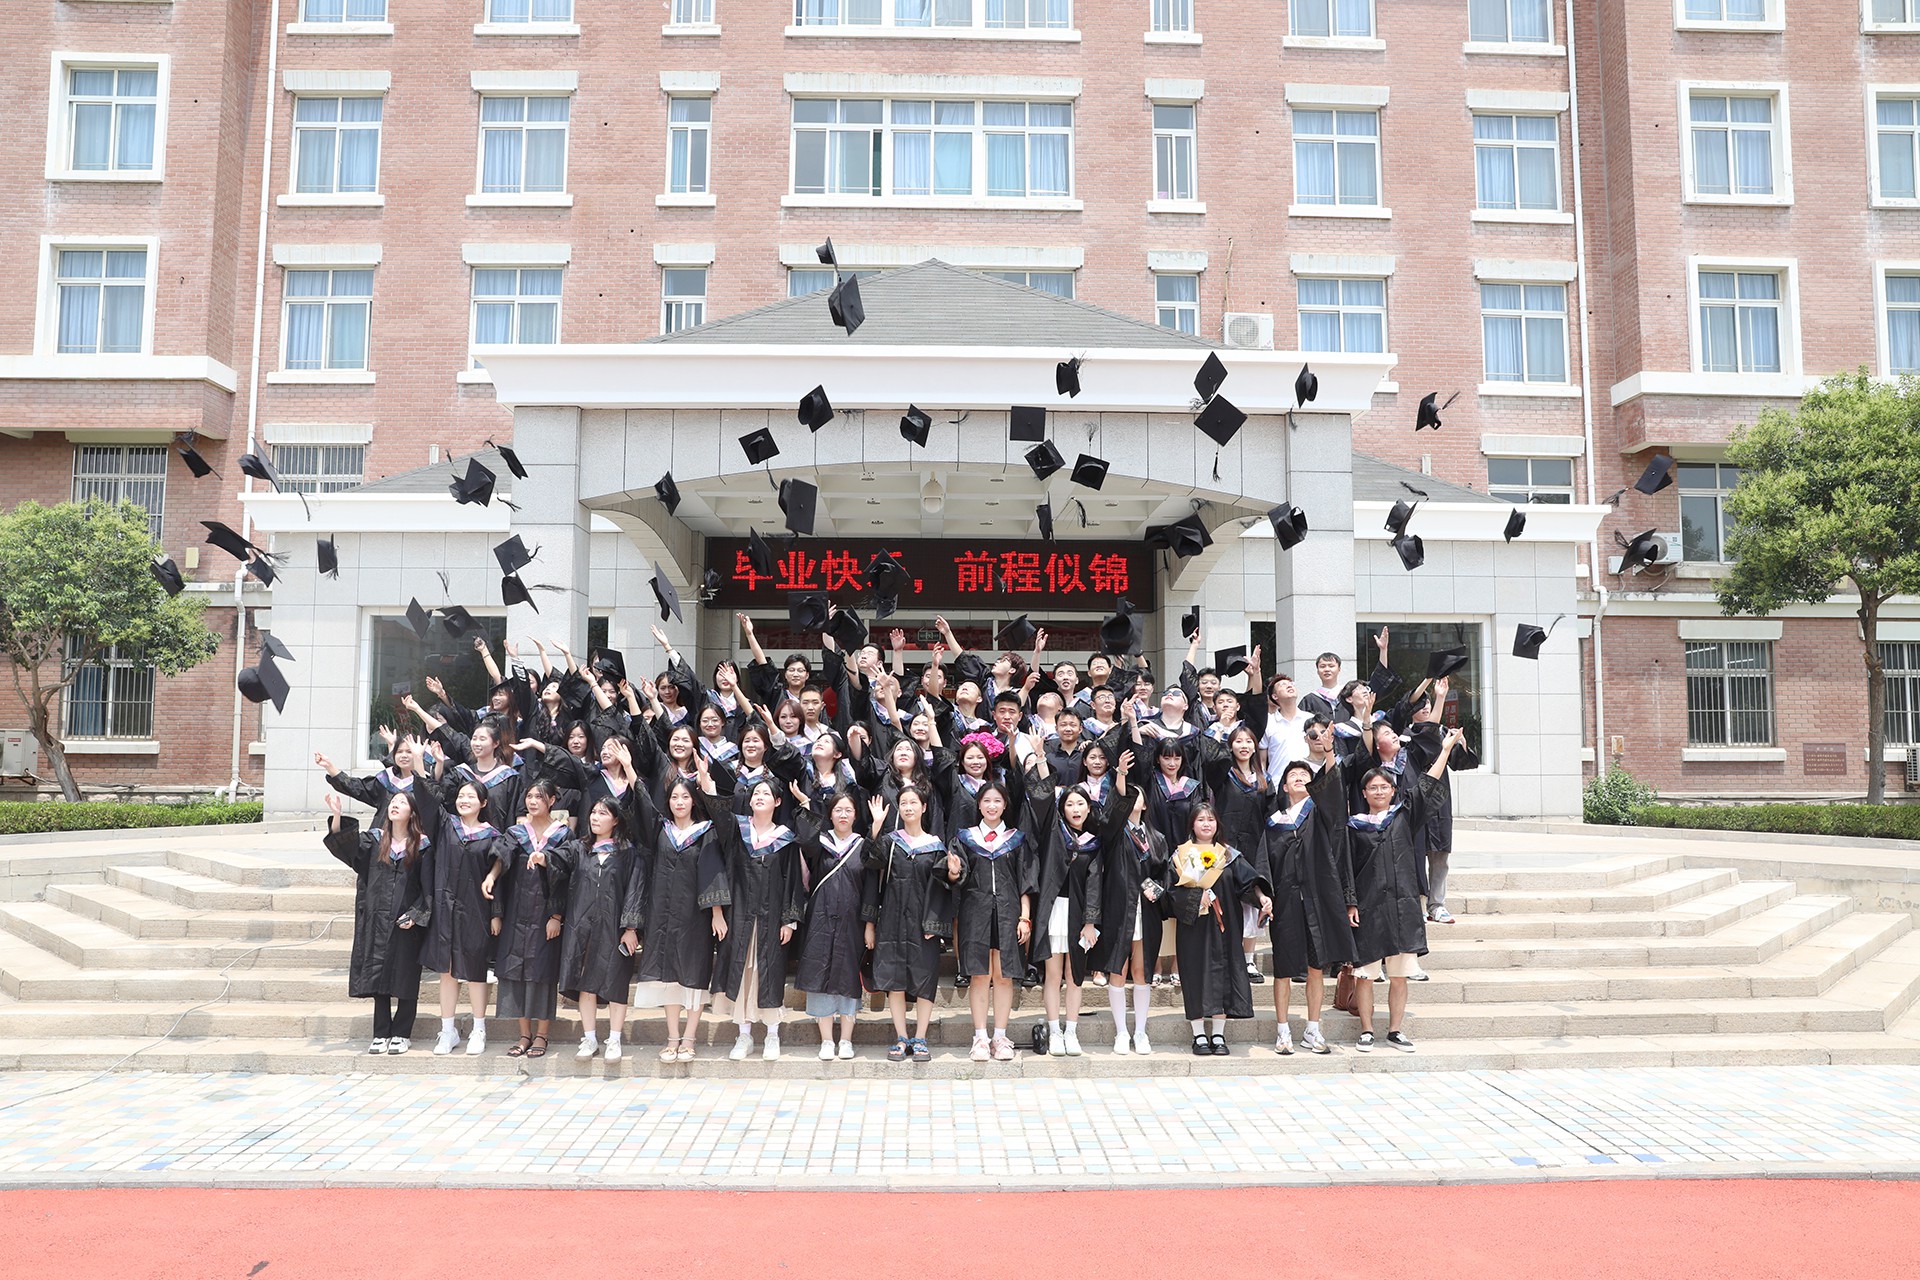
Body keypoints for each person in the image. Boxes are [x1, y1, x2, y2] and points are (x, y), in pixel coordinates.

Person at [1348, 727, 1463, 1052]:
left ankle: (1395, 1030)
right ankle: (1367, 1030)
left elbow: (1427, 784)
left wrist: (1444, 750)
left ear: (1393, 791)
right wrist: (1350, 903)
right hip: (1369, 907)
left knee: (1399, 975)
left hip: (1402, 906)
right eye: (1373, 787)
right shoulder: (1354, 826)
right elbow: (1347, 869)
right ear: (1364, 793)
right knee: (1365, 975)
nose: (1379, 791)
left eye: (1384, 787)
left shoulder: (1404, 815)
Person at [322, 737, 434, 1055]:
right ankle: (381, 1033)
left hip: (405, 920)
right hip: (377, 917)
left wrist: (418, 914)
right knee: (380, 976)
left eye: (402, 803)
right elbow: (348, 850)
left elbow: (428, 888)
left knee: (406, 977)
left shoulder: (423, 846)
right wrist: (337, 817)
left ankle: (402, 1032)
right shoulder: (375, 841)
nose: (394, 805)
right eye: (392, 802)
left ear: (412, 812)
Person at [1025, 740, 1115, 1056]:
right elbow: (1042, 797)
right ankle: (1054, 1032)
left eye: (1081, 804)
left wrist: (1091, 922)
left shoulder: (1094, 843)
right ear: (1062, 809)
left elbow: (1094, 884)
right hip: (1053, 911)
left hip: (1080, 915)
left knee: (1075, 975)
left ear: (1089, 808)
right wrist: (1040, 757)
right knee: (1053, 975)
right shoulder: (1053, 831)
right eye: (1070, 805)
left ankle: (1072, 1032)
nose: (1075, 809)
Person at [1261, 761, 1358, 1056]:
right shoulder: (1274, 823)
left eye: (1305, 774)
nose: (1299, 777)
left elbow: (1333, 795)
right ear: (1285, 787)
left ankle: (1312, 1029)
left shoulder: (1320, 814)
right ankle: (1283, 1031)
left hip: (1317, 902)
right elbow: (1264, 864)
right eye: (1293, 775)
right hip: (1286, 903)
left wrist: (1328, 753)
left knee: (1316, 968)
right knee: (1283, 969)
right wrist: (1263, 896)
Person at [1162, 802, 1273, 1056]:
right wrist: (1195, 898)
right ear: (1192, 824)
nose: (1206, 824)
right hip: (1192, 927)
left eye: (1210, 819)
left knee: (1223, 975)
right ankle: (1199, 1035)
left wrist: (1262, 898)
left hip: (1225, 927)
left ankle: (1219, 1034)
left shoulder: (1229, 855)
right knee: (1194, 974)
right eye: (1201, 819)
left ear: (1217, 824)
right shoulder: (1180, 855)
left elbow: (1248, 882)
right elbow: (1170, 893)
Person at [633, 777, 731, 1063]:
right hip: (662, 914)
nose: (679, 802)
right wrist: (628, 768)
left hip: (694, 917)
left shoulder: (706, 832)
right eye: (674, 797)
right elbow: (643, 805)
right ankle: (673, 1037)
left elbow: (712, 870)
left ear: (693, 801)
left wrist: (716, 912)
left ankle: (690, 1038)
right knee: (670, 978)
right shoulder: (661, 830)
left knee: (694, 975)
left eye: (685, 797)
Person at [712, 773, 805, 1062]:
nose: (759, 797)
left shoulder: (785, 839)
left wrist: (789, 920)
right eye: (755, 794)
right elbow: (724, 868)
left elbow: (792, 880)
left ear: (777, 802)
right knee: (742, 974)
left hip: (771, 917)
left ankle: (772, 1034)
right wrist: (719, 912)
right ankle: (744, 1035)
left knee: (770, 973)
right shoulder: (738, 831)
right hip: (739, 915)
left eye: (766, 793)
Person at [557, 795, 650, 1062]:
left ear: (616, 820)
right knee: (586, 983)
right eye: (593, 812)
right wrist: (541, 857)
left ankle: (615, 1039)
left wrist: (631, 928)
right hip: (581, 926)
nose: (595, 818)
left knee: (616, 982)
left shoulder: (628, 853)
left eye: (602, 813)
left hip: (614, 927)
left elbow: (635, 890)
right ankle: (589, 1038)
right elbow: (557, 865)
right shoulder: (578, 849)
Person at [868, 786, 958, 1062]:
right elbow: (871, 864)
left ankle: (920, 1037)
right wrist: (876, 827)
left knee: (924, 979)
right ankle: (901, 1037)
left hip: (922, 923)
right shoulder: (891, 842)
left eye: (913, 802)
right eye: (904, 803)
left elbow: (942, 887)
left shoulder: (935, 846)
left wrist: (953, 874)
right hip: (892, 920)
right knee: (894, 979)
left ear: (924, 807)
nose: (908, 807)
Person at [484, 779, 571, 1060]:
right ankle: (524, 1034)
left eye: (539, 797)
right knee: (517, 972)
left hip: (545, 914)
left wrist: (556, 916)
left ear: (552, 801)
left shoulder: (563, 835)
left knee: (542, 974)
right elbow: (501, 861)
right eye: (530, 796)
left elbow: (567, 878)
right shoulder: (516, 833)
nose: (533, 801)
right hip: (516, 914)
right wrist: (492, 882)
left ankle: (542, 1034)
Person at [419, 777, 506, 1056]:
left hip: (476, 910)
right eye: (460, 796)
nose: (463, 800)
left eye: (470, 796)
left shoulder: (492, 836)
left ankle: (479, 1029)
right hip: (445, 906)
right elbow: (427, 801)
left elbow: (499, 875)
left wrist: (496, 914)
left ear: (483, 803)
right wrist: (421, 768)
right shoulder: (446, 825)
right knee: (447, 970)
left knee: (476, 970)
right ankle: (448, 1030)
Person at [949, 782, 1035, 1062]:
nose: (992, 805)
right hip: (975, 913)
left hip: (1009, 913)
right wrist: (952, 873)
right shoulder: (965, 838)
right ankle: (980, 1038)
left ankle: (1000, 1036)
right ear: (979, 804)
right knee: (979, 975)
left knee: (1003, 976)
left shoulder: (1016, 839)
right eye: (986, 800)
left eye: (997, 800)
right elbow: (957, 878)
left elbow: (1025, 881)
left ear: (1005, 804)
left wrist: (1025, 917)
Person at [792, 789, 876, 1061]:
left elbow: (870, 888)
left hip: (852, 922)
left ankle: (846, 1040)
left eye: (848, 810)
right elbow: (805, 840)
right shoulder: (821, 843)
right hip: (820, 917)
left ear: (855, 816)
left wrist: (869, 924)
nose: (843, 815)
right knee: (820, 975)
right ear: (830, 814)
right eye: (838, 810)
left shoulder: (862, 846)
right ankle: (827, 1041)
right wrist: (806, 805)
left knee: (848, 977)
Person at [1094, 779, 1164, 1054]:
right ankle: (1121, 1032)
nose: (1132, 799)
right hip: (1119, 908)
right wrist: (1121, 775)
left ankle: (1141, 1032)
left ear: (1145, 805)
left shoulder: (1157, 838)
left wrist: (1155, 888)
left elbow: (1163, 874)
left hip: (1146, 910)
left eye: (1138, 796)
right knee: (1118, 969)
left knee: (1142, 970)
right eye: (1127, 796)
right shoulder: (1115, 833)